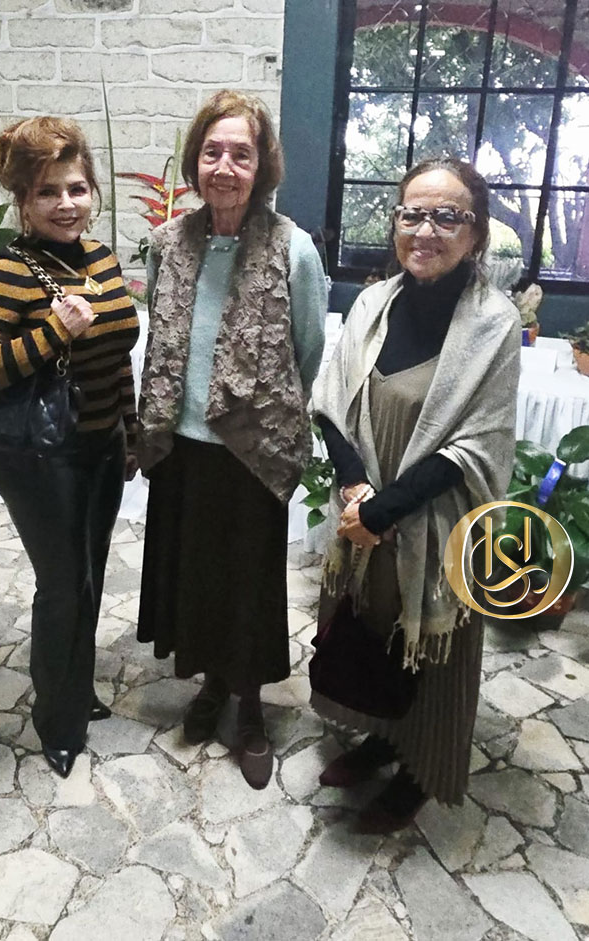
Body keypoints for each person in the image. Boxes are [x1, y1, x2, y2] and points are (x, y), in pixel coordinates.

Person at [311, 157, 520, 831]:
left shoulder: (493, 323)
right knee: (377, 630)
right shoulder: (373, 303)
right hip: (366, 509)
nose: (425, 230)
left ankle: (420, 770)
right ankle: (382, 735)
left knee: (434, 649)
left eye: (447, 216)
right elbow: (331, 403)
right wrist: (357, 491)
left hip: (438, 524)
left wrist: (382, 511)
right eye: (412, 214)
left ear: (476, 233)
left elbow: (477, 445)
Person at [136, 90, 327, 789]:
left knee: (249, 583)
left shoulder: (292, 248)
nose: (224, 166)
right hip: (181, 444)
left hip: (252, 449)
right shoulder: (168, 243)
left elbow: (309, 348)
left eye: (240, 154)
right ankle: (212, 684)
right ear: (196, 161)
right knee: (198, 576)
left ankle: (250, 709)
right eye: (212, 152)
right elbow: (161, 331)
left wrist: (261, 407)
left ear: (261, 166)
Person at [0, 117, 139, 779]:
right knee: (61, 586)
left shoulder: (101, 259)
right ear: (23, 202)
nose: (66, 204)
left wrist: (130, 429)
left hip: (100, 445)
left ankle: (75, 686)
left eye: (77, 188)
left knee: (89, 575)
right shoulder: (2, 272)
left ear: (93, 193)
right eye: (48, 192)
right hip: (37, 458)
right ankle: (57, 721)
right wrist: (53, 331)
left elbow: (115, 353)